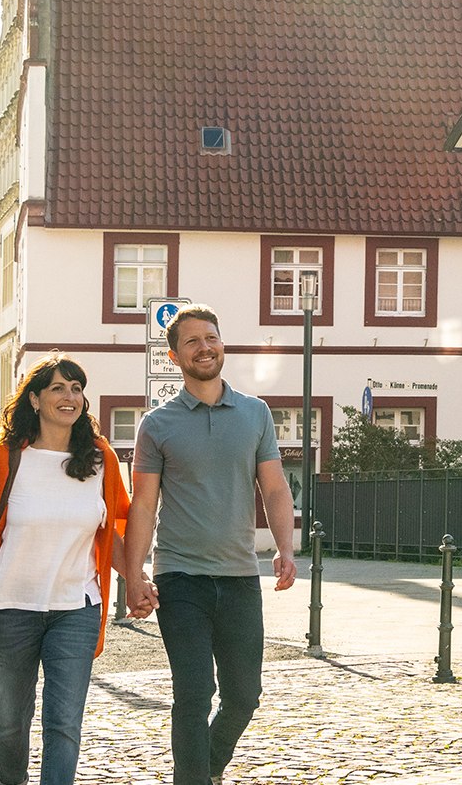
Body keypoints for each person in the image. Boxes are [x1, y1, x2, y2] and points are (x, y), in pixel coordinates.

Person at [124, 304, 296, 785]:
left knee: (244, 696)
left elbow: (275, 488)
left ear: (222, 344)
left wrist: (285, 548)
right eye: (193, 341)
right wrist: (134, 574)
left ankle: (207, 768)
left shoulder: (255, 412)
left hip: (240, 577)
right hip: (180, 578)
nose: (205, 347)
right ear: (175, 356)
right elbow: (143, 504)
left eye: (211, 338)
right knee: (194, 693)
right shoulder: (157, 424)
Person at [0, 354, 136, 785]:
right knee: (11, 718)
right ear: (35, 399)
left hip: (76, 609)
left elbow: (110, 535)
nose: (69, 396)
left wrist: (138, 579)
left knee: (64, 721)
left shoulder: (101, 459)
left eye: (76, 389)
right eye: (58, 388)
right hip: (8, 609)